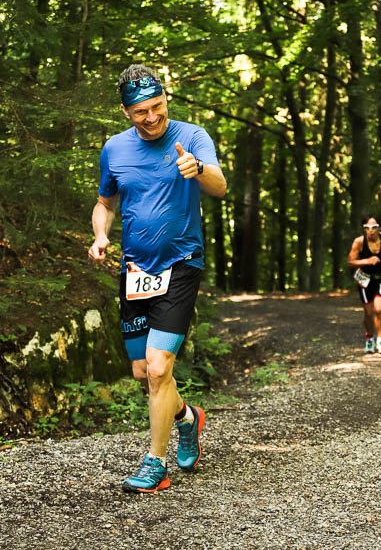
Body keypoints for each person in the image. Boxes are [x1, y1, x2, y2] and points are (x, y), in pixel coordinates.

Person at [88, 64, 227, 493]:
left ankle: (155, 464)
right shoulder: (114, 149)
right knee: (142, 371)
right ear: (125, 112)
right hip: (135, 270)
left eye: (157, 107)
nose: (151, 118)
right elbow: (104, 203)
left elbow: (221, 186)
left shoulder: (192, 137)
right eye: (140, 112)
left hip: (182, 264)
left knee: (158, 366)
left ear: (166, 99)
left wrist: (198, 170)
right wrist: (100, 236)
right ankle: (188, 418)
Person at [347, 215, 381, 354]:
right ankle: (369, 338)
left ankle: (380, 340)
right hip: (364, 278)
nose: (371, 231)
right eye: (367, 228)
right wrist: (366, 261)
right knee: (368, 313)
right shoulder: (359, 242)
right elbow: (350, 262)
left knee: (378, 309)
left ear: (379, 228)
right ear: (364, 229)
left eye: (374, 227)